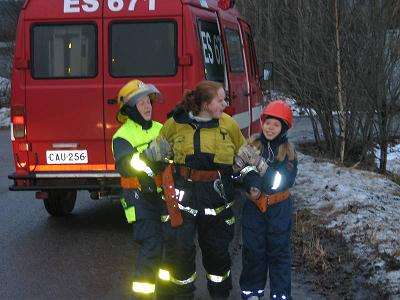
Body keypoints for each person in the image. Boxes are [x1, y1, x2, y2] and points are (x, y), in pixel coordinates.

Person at [146, 80, 245, 299]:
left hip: (217, 202)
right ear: (206, 103)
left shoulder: (228, 125)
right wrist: (149, 171)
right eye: (221, 100)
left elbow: (246, 157)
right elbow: (154, 154)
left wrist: (257, 179)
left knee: (218, 254)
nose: (225, 104)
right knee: (180, 252)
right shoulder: (176, 123)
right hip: (183, 201)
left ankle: (220, 294)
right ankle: (182, 294)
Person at [112, 79, 171, 299]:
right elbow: (126, 164)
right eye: (141, 103)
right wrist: (148, 160)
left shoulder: (160, 128)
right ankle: (145, 295)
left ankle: (166, 292)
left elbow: (171, 156)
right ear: (129, 109)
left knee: (168, 242)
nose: (147, 106)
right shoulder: (123, 136)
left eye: (149, 101)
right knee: (152, 244)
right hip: (138, 197)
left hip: (164, 195)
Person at [234, 100, 298, 300]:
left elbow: (278, 182)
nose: (270, 128)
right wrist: (249, 183)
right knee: (253, 252)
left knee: (279, 253)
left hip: (279, 209)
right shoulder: (251, 145)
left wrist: (257, 163)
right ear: (262, 122)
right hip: (254, 208)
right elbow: (237, 174)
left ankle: (280, 295)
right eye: (268, 122)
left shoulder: (288, 153)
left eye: (276, 125)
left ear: (284, 128)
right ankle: (252, 292)